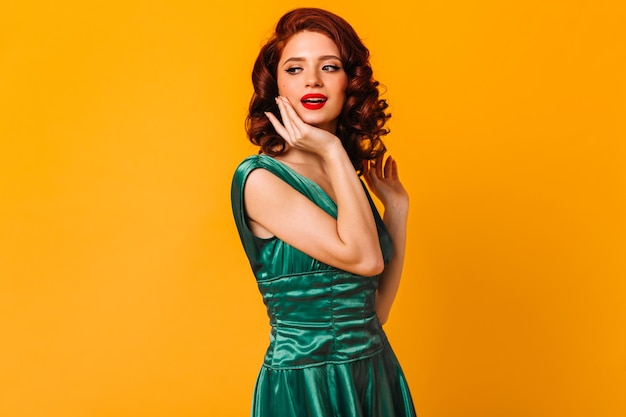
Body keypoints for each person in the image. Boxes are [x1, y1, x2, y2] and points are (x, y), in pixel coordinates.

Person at [231, 7, 416, 417]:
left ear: (350, 82)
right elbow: (366, 259)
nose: (312, 80)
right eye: (294, 69)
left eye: (328, 66)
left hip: (374, 373)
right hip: (306, 384)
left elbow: (376, 312)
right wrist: (331, 148)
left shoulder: (344, 177)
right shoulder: (261, 180)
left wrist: (397, 210)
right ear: (275, 86)